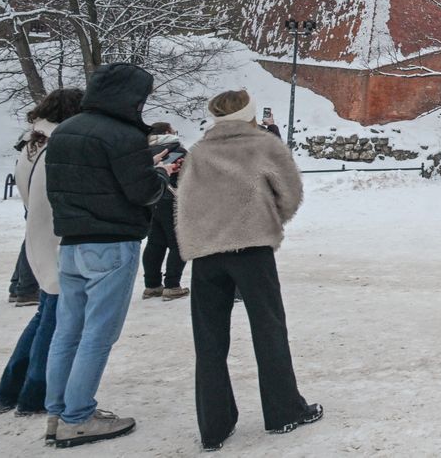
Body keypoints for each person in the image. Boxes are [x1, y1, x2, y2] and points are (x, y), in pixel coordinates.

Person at [176, 89, 320, 450]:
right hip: (252, 251)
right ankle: (284, 411)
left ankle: (214, 425)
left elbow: (185, 202)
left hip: (207, 253)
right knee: (269, 329)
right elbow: (291, 193)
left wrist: (203, 236)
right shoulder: (263, 146)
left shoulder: (199, 151)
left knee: (208, 341)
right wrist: (267, 220)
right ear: (250, 114)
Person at [44, 63, 176, 448]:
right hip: (111, 243)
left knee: (67, 331)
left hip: (71, 243)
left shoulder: (65, 130)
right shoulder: (123, 134)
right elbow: (144, 193)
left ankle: (58, 410)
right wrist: (163, 174)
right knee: (98, 335)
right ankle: (78, 416)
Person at [0, 89, 83, 418]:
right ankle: (33, 393)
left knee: (44, 316)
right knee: (54, 321)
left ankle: (9, 389)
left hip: (40, 238)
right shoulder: (55, 146)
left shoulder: (34, 144)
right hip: (55, 241)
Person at [142, 122, 189, 301]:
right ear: (168, 132)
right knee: (179, 243)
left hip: (152, 200)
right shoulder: (176, 150)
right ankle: (172, 284)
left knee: (155, 242)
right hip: (173, 201)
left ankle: (152, 284)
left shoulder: (143, 151)